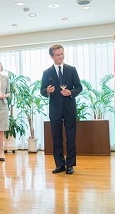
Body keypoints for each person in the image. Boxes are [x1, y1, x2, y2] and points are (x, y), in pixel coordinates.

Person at [40, 44, 82, 174]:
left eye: (62, 54)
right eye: (58, 55)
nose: (61, 56)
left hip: (69, 108)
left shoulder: (72, 70)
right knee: (56, 138)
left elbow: (79, 87)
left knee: (71, 137)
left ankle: (70, 165)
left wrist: (71, 92)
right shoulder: (47, 73)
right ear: (52, 56)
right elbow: (42, 90)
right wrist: (46, 90)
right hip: (55, 109)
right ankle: (60, 164)